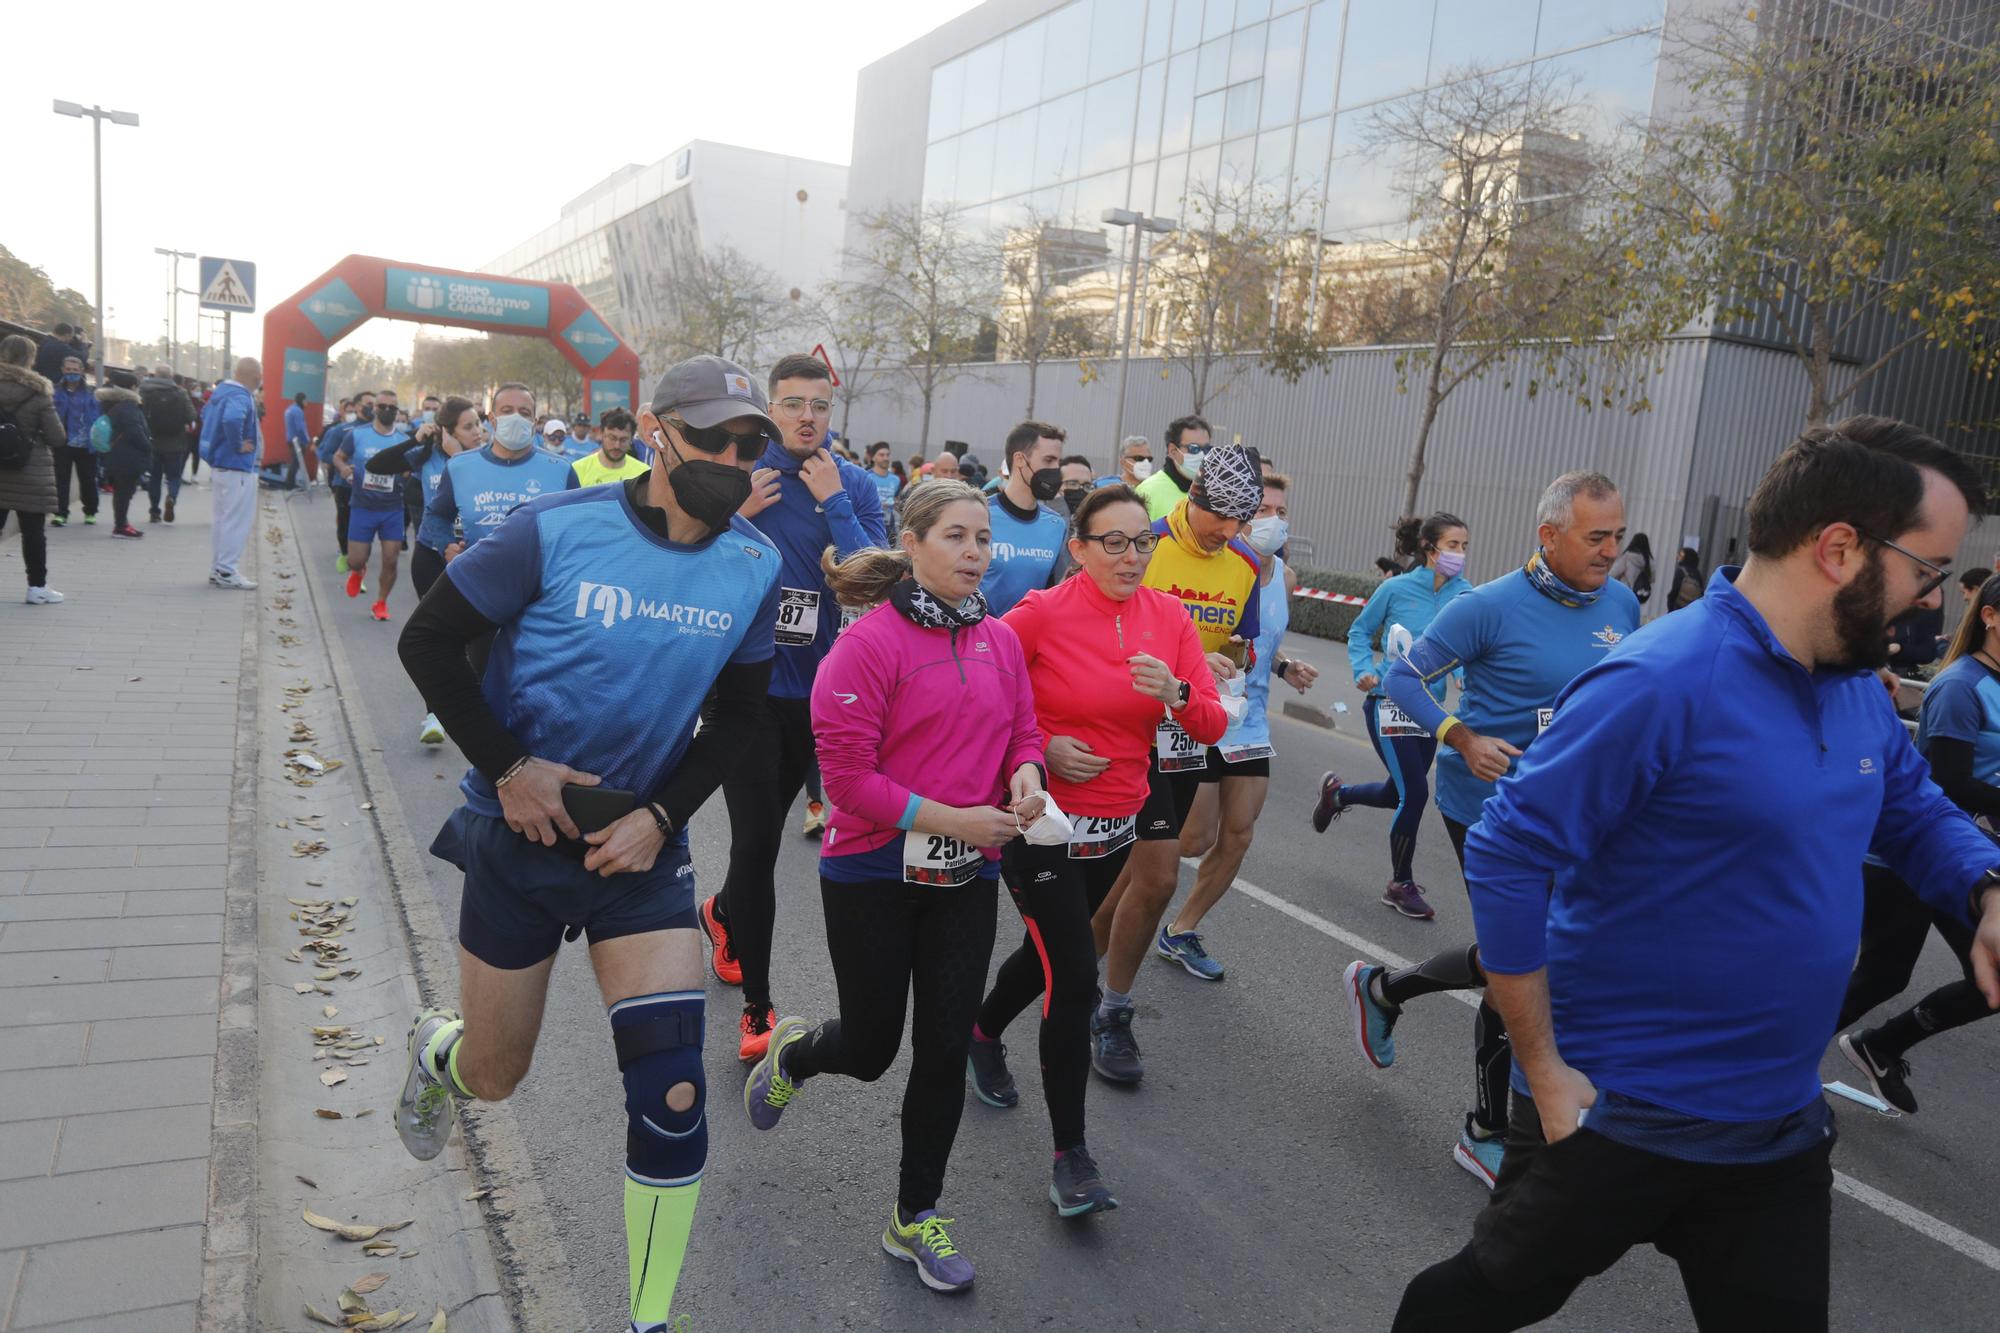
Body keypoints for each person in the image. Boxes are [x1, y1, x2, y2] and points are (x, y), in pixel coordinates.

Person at [1390, 418, 2000, 1332]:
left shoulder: (1851, 685)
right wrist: (1546, 1071)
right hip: (1620, 1112)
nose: (1932, 605)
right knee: (1469, 1305)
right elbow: (1511, 852)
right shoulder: (1660, 679)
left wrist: (1986, 888)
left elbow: (1910, 809)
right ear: (1841, 548)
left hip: (1777, 1128)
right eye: (1928, 572)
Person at [391, 354, 782, 1333]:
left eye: (748, 443)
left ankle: (650, 1320)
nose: (731, 459)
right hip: (517, 834)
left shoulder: (752, 563)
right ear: (657, 432)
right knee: (495, 1074)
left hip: (638, 853)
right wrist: (512, 766)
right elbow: (426, 641)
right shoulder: (556, 530)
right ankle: (438, 1053)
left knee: (675, 1090)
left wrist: (663, 816)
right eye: (711, 439)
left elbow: (737, 717)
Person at [744, 479, 1045, 1294]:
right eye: (956, 536)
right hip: (871, 872)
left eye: (984, 538)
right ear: (911, 542)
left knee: (945, 1047)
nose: (975, 552)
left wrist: (1025, 777)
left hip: (964, 878)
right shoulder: (866, 645)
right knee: (874, 1049)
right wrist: (960, 819)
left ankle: (915, 1215)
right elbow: (845, 782)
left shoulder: (1000, 640)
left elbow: (1024, 726)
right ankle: (796, 1054)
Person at [1341, 474, 1641, 1188]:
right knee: (1524, 962)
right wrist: (1461, 735)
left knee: (1546, 956)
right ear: (1549, 534)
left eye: (1617, 535)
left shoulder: (1624, 604)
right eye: (1595, 536)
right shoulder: (1489, 605)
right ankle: (1486, 1127)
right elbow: (1404, 678)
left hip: (1583, 811)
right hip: (1491, 809)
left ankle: (1385, 989)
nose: (1610, 550)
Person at [969, 483, 1225, 1212]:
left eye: (1142, 541)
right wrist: (1043, 747)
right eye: (1113, 541)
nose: (1131, 555)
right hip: (1040, 821)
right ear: (1077, 549)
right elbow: (982, 688)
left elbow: (1208, 723)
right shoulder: (1042, 613)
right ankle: (1070, 1155)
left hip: (1114, 825)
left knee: (1052, 952)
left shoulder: (1169, 618)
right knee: (1075, 976)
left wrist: (1176, 690)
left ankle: (982, 1032)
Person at [699, 353, 887, 1060]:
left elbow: (879, 581)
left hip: (821, 695)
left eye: (819, 404)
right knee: (756, 844)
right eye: (791, 403)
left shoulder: (854, 482)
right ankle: (759, 1007)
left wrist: (836, 500)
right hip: (742, 691)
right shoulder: (740, 477)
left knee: (770, 833)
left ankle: (721, 912)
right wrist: (730, 515)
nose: (807, 415)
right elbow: (687, 562)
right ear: (769, 410)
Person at [1088, 441, 1264, 1082]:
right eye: (1223, 518)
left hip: (1184, 736)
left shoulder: (1245, 564)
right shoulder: (1142, 543)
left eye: (1242, 522)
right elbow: (1089, 624)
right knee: (1142, 878)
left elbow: (1238, 643)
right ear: (1194, 498)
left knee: (1149, 878)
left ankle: (1095, 992)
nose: (1230, 533)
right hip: (1116, 734)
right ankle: (1100, 1001)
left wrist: (1226, 660)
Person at [1835, 570, 2000, 1113]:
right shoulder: (1959, 686)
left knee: (1992, 978)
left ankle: (1882, 1044)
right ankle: (1767, 1059)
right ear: (1990, 616)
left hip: (1968, 859)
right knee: (1882, 975)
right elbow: (1948, 783)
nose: (1929, 598)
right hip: (1912, 854)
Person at [1161, 472, 1319, 976]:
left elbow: (1253, 641)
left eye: (1280, 511)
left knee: (1240, 834)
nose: (1272, 521)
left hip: (1247, 719)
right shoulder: (1223, 564)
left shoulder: (1284, 579)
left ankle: (1180, 930)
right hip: (1200, 711)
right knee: (1193, 839)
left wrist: (1282, 666)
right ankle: (1124, 903)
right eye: (1262, 512)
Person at [1314, 512, 1473, 920]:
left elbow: (1463, 646)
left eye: (1464, 547)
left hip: (1430, 710)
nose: (1460, 554)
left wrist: (1461, 674)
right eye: (1453, 545)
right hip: (1388, 701)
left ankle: (1338, 794)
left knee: (1396, 793)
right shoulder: (1397, 589)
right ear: (1429, 547)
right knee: (1415, 794)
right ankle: (1400, 883)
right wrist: (1362, 669)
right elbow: (1358, 631)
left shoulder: (1465, 595)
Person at [0, 334, 68, 603]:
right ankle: (36, 589)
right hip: (30, 470)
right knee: (33, 533)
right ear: (30, 358)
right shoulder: (39, 392)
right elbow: (57, 438)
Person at [980, 421, 1071, 616]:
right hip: (978, 638)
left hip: (1027, 641)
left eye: (1058, 462)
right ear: (1020, 459)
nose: (1056, 470)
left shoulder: (1055, 524)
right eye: (1048, 460)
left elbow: (1053, 591)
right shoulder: (979, 515)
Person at [335, 389, 410, 621]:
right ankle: (359, 570)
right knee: (355, 559)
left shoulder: (404, 440)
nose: (387, 411)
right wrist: (343, 469)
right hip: (362, 506)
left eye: (392, 408)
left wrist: (405, 474)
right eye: (382, 406)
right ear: (374, 408)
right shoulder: (357, 435)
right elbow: (338, 456)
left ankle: (381, 602)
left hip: (392, 508)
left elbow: (410, 469)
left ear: (397, 412)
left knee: (391, 558)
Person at [197, 359, 263, 588]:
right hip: (238, 467)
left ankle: (219, 568)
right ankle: (227, 571)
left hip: (221, 464)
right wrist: (237, 445)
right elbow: (233, 418)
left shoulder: (220, 392)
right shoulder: (240, 396)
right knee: (236, 521)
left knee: (222, 520)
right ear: (256, 377)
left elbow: (205, 416)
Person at [320, 391, 373, 578]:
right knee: (345, 523)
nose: (372, 408)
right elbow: (325, 454)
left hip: (370, 488)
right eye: (368, 404)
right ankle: (344, 553)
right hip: (344, 485)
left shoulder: (379, 433)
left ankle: (358, 566)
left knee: (365, 526)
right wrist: (344, 464)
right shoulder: (341, 430)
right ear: (358, 406)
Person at [96, 373, 152, 539]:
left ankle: (122, 524)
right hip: (127, 456)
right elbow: (134, 431)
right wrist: (148, 446)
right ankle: (121, 526)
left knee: (121, 492)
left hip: (116, 454)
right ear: (133, 387)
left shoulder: (112, 403)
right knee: (124, 493)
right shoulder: (128, 406)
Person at [140, 364, 197, 523]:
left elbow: (139, 415)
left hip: (152, 442)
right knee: (174, 477)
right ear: (171, 377)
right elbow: (191, 415)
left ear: (155, 375)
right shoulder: (180, 393)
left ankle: (154, 512)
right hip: (176, 443)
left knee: (155, 478)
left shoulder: (144, 391)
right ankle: (171, 497)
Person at [49, 356, 99, 527]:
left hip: (86, 444)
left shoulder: (91, 392)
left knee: (88, 479)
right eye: (69, 370)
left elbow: (98, 417)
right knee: (61, 479)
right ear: (62, 370)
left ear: (81, 371)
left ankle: (90, 511)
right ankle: (60, 513)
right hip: (63, 442)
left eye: (75, 370)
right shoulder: (54, 391)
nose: (72, 373)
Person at [1133, 415, 1210, 520]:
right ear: (1172, 450)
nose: (1202, 455)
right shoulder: (1148, 492)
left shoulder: (1212, 492)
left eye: (1206, 449)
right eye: (1194, 448)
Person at [570, 408, 650, 489]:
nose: (617, 446)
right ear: (601, 434)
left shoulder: (643, 474)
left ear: (632, 439)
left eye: (623, 440)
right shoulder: (577, 470)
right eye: (612, 438)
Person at [1608, 531, 1653, 604]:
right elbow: (1652, 578)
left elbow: (1612, 574)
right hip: (1640, 593)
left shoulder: (1627, 557)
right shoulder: (1649, 560)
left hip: (1625, 593)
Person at [284, 391, 311, 489]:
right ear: (302, 400)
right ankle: (289, 485)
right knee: (295, 463)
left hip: (290, 439)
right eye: (306, 400)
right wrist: (306, 440)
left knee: (294, 462)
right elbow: (300, 428)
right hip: (298, 441)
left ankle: (290, 483)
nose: (307, 403)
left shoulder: (289, 409)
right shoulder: (298, 411)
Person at [863, 440, 902, 510]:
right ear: (873, 458)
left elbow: (898, 500)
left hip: (890, 519)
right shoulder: (865, 477)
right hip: (871, 518)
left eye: (888, 455)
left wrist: (895, 503)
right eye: (881, 455)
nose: (885, 458)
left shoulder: (896, 479)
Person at [1667, 544, 1704, 610]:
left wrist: (1670, 606)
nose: (1678, 557)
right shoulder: (1698, 574)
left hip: (1678, 607)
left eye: (1681, 556)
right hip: (1691, 609)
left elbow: (1675, 590)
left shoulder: (1681, 571)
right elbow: (1701, 593)